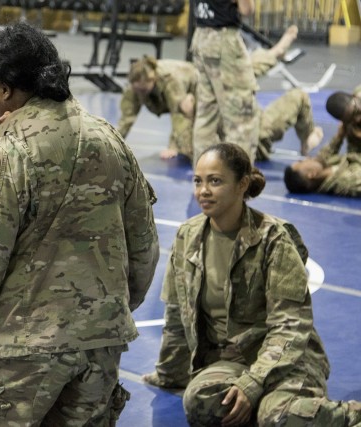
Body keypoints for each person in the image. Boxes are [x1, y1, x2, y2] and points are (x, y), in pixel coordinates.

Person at [0, 22, 160, 425]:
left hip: (18, 355)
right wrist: (107, 314)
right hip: (99, 349)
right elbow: (145, 249)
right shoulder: (111, 141)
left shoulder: (5, 154)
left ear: (3, 90)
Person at [142, 142, 361, 426]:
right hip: (230, 361)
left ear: (242, 184)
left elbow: (291, 325)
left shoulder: (273, 239)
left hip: (286, 359)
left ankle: (349, 415)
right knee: (200, 403)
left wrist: (254, 382)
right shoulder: (188, 236)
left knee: (277, 416)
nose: (203, 190)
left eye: (215, 181)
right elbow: (176, 314)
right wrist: (170, 373)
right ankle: (272, 408)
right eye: (198, 181)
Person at [118, 26, 323, 162]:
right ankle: (275, 53)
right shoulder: (137, 86)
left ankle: (308, 135)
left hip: (252, 130)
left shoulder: (174, 81)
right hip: (220, 114)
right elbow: (127, 118)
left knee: (248, 78)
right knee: (239, 75)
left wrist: (175, 145)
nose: (141, 94)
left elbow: (179, 114)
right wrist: (115, 144)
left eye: (144, 89)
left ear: (152, 78)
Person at [191, 0, 259, 164]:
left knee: (206, 113)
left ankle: (203, 179)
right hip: (223, 39)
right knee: (241, 118)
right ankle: (238, 185)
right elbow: (246, 9)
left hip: (200, 35)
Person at [284, 152, 361, 197]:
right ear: (311, 174)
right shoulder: (346, 181)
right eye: (302, 162)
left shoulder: (326, 168)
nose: (308, 158)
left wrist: (340, 135)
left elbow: (325, 152)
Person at [316, 86, 361, 159]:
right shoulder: (351, 129)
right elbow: (322, 159)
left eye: (356, 111)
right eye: (351, 118)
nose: (358, 119)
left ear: (355, 97)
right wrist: (339, 136)